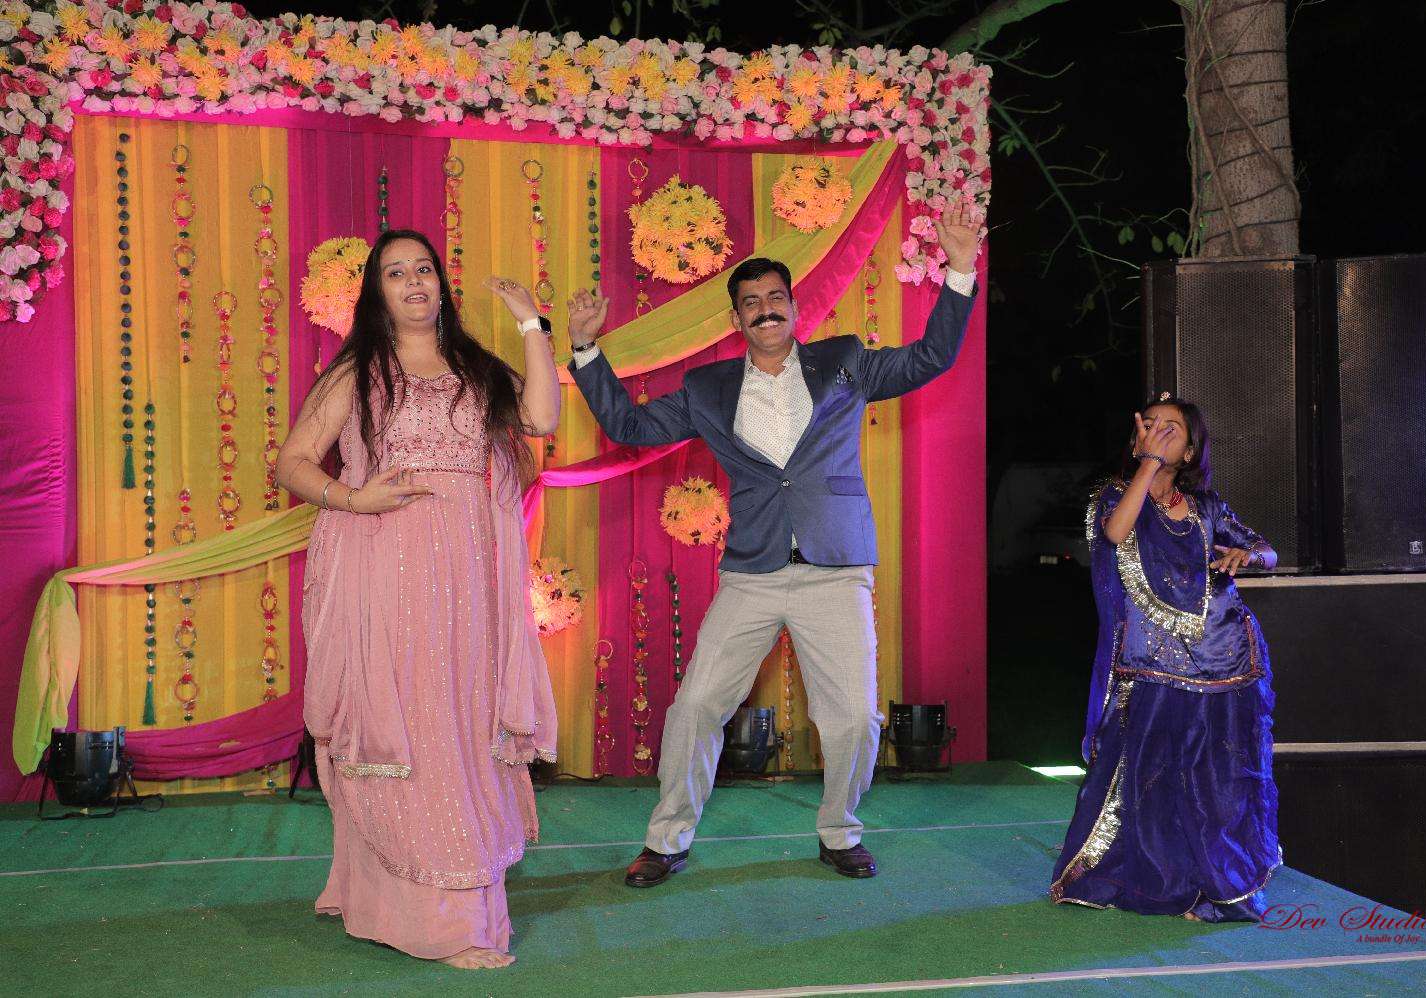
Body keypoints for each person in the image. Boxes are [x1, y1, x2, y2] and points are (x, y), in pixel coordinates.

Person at [564, 204, 984, 886]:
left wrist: (960, 268)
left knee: (852, 719)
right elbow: (631, 428)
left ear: (794, 306)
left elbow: (931, 358)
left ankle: (840, 831)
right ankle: (665, 841)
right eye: (752, 302)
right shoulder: (707, 388)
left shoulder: (844, 362)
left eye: (775, 297)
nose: (766, 309)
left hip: (835, 567)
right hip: (752, 573)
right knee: (696, 708)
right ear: (736, 320)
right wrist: (586, 350)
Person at [275, 229, 559, 968]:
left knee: (462, 729)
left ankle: (422, 899)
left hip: (469, 581)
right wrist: (353, 497)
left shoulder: (475, 369)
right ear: (377, 291)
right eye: (396, 272)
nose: (413, 282)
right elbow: (292, 462)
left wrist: (532, 325)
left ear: (440, 283)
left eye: (423, 269)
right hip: (387, 573)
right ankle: (445, 921)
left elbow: (542, 418)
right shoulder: (359, 372)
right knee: (413, 728)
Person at [1050, 394, 1281, 921]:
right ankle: (1159, 882)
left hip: (1223, 660)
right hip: (1150, 664)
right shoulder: (1112, 497)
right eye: (1148, 425)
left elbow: (1267, 550)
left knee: (1214, 781)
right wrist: (1149, 466)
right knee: (1152, 778)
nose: (1156, 432)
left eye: (1170, 429)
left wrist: (1248, 555)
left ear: (1191, 450)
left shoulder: (1208, 508)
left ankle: (1215, 882)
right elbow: (1116, 533)